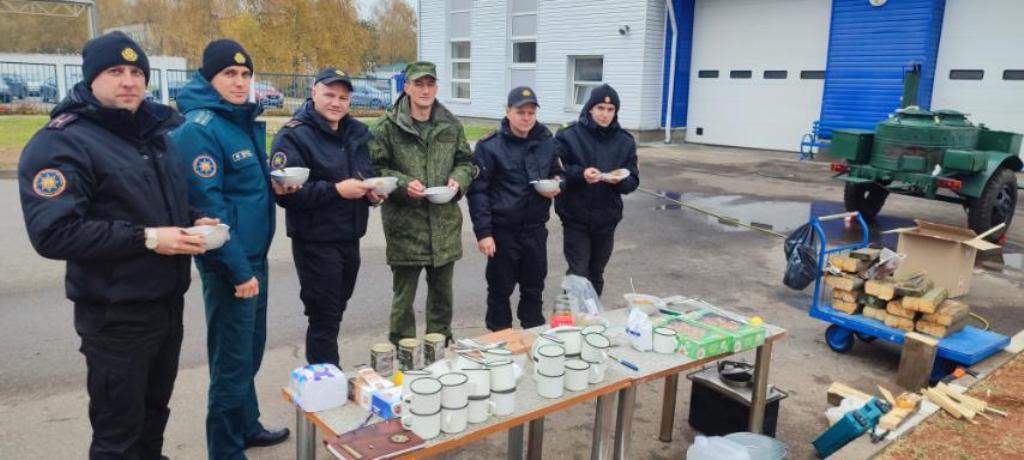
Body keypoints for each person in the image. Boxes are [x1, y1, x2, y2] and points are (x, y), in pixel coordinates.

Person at [18, 31, 211, 459]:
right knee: (117, 435)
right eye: (115, 71)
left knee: (153, 416)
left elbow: (164, 203)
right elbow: (53, 232)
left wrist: (195, 221)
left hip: (165, 303)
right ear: (91, 79)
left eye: (136, 72)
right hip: (114, 314)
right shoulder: (62, 142)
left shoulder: (155, 134)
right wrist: (147, 239)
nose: (129, 81)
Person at [168, 39, 291, 458]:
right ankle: (224, 449)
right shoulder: (200, 128)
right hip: (230, 264)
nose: (240, 82)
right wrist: (239, 271)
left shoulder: (239, 120)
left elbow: (242, 190)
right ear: (209, 78)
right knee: (231, 360)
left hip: (253, 257)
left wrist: (275, 185)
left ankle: (247, 425)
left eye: (245, 74)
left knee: (250, 351)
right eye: (229, 74)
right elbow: (209, 206)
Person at [271, 67, 384, 366]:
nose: (336, 103)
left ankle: (324, 377)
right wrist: (336, 190)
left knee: (335, 310)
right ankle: (326, 382)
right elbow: (287, 194)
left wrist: (373, 191)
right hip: (315, 241)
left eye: (343, 97)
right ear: (314, 93)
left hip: (350, 237)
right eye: (330, 95)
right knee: (323, 315)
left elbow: (364, 173)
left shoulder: (355, 132)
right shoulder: (293, 136)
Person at [370, 61, 474, 345]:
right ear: (407, 87)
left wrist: (458, 179)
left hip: (444, 226)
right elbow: (374, 169)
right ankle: (404, 353)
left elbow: (467, 162)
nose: (425, 90)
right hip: (405, 228)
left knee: (442, 298)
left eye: (430, 84)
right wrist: (403, 184)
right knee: (404, 300)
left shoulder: (451, 125)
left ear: (436, 87)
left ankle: (438, 353)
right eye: (419, 84)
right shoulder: (387, 127)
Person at [468, 86, 561, 331]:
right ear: (508, 111)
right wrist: (484, 233)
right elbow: (478, 192)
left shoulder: (546, 141)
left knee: (534, 288)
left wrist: (558, 183)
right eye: (521, 112)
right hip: (502, 232)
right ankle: (500, 344)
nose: (526, 118)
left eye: (531, 112)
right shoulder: (490, 146)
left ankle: (534, 338)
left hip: (535, 230)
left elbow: (558, 171)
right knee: (500, 291)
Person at [555, 84, 640, 296]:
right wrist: (581, 174)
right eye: (600, 108)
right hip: (576, 216)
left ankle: (592, 319)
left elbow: (633, 180)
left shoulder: (625, 141)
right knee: (578, 273)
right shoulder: (568, 135)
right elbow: (557, 171)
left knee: (596, 273)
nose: (605, 114)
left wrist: (618, 180)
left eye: (610, 110)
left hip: (607, 218)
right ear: (590, 109)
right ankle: (571, 322)